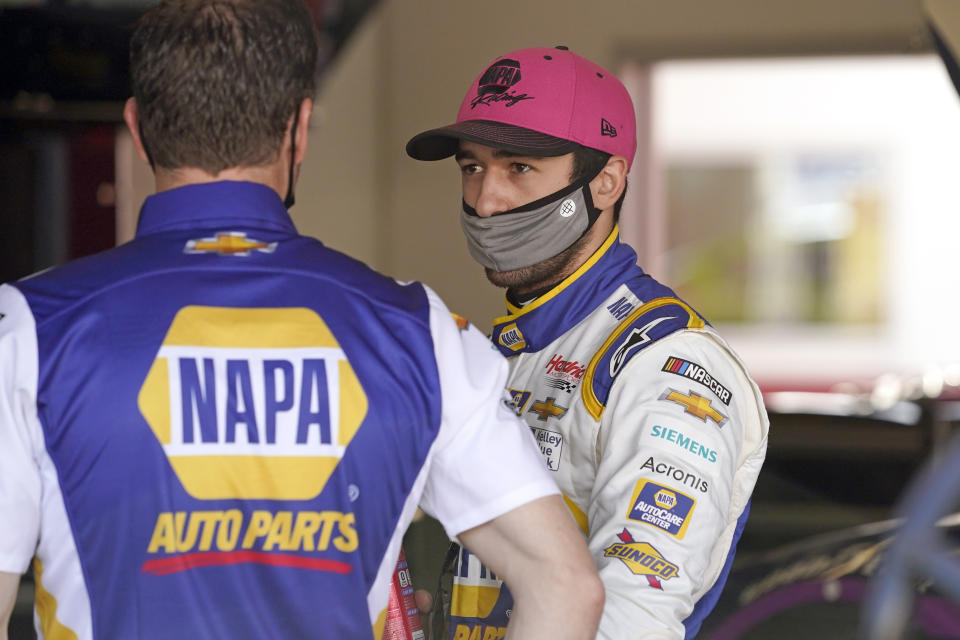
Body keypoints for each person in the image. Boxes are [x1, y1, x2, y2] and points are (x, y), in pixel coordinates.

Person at [0, 7, 604, 639]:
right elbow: (567, 586)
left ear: (137, 128)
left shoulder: (32, 330)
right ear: (301, 129)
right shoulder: (419, 336)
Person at [406, 46, 769, 639]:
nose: (486, 200)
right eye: (472, 168)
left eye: (518, 167)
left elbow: (631, 618)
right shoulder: (503, 354)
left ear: (606, 181)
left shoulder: (669, 365)